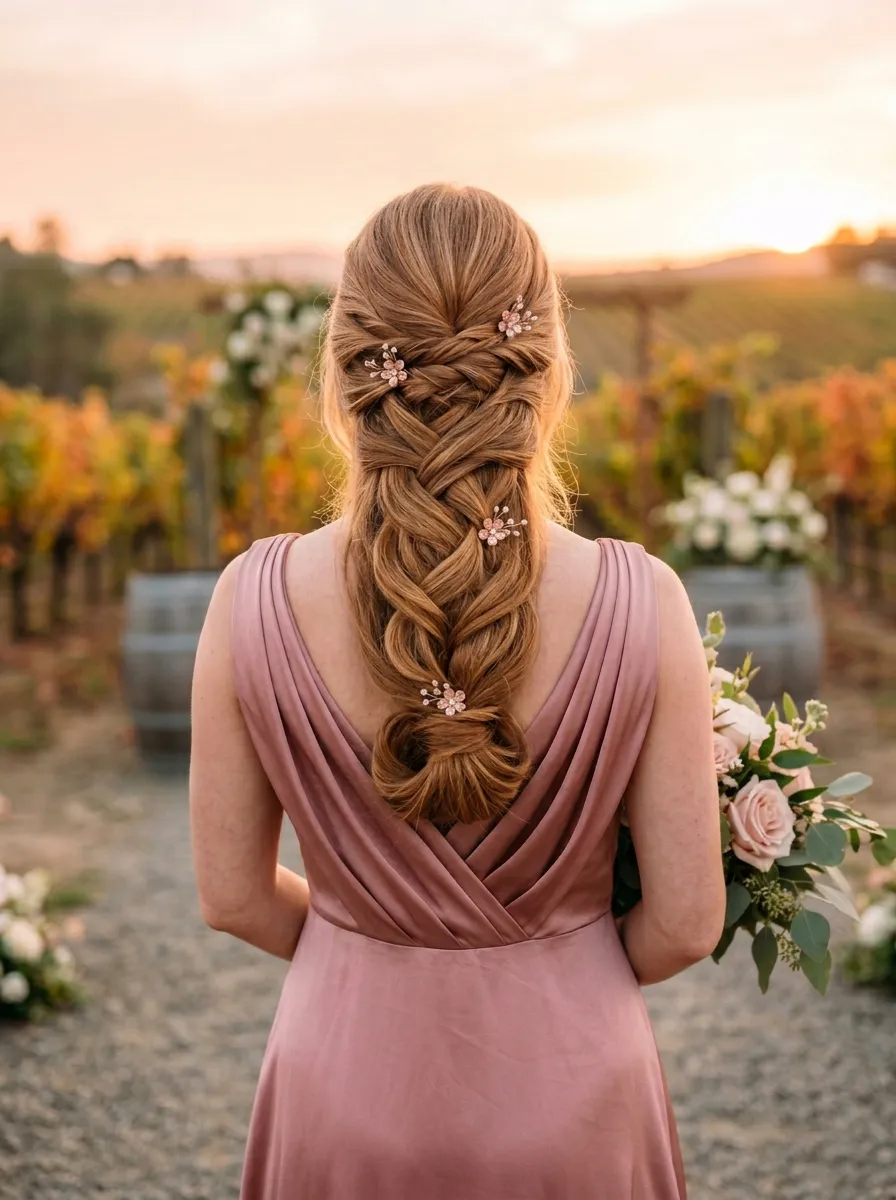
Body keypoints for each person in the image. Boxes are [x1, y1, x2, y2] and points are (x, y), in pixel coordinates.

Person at [189, 183, 725, 1199]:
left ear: (343, 371)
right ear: (547, 372)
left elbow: (232, 897)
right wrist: (547, 960)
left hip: (342, 1083)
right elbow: (686, 922)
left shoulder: (249, 597)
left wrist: (367, 950)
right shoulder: (644, 599)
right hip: (576, 1094)